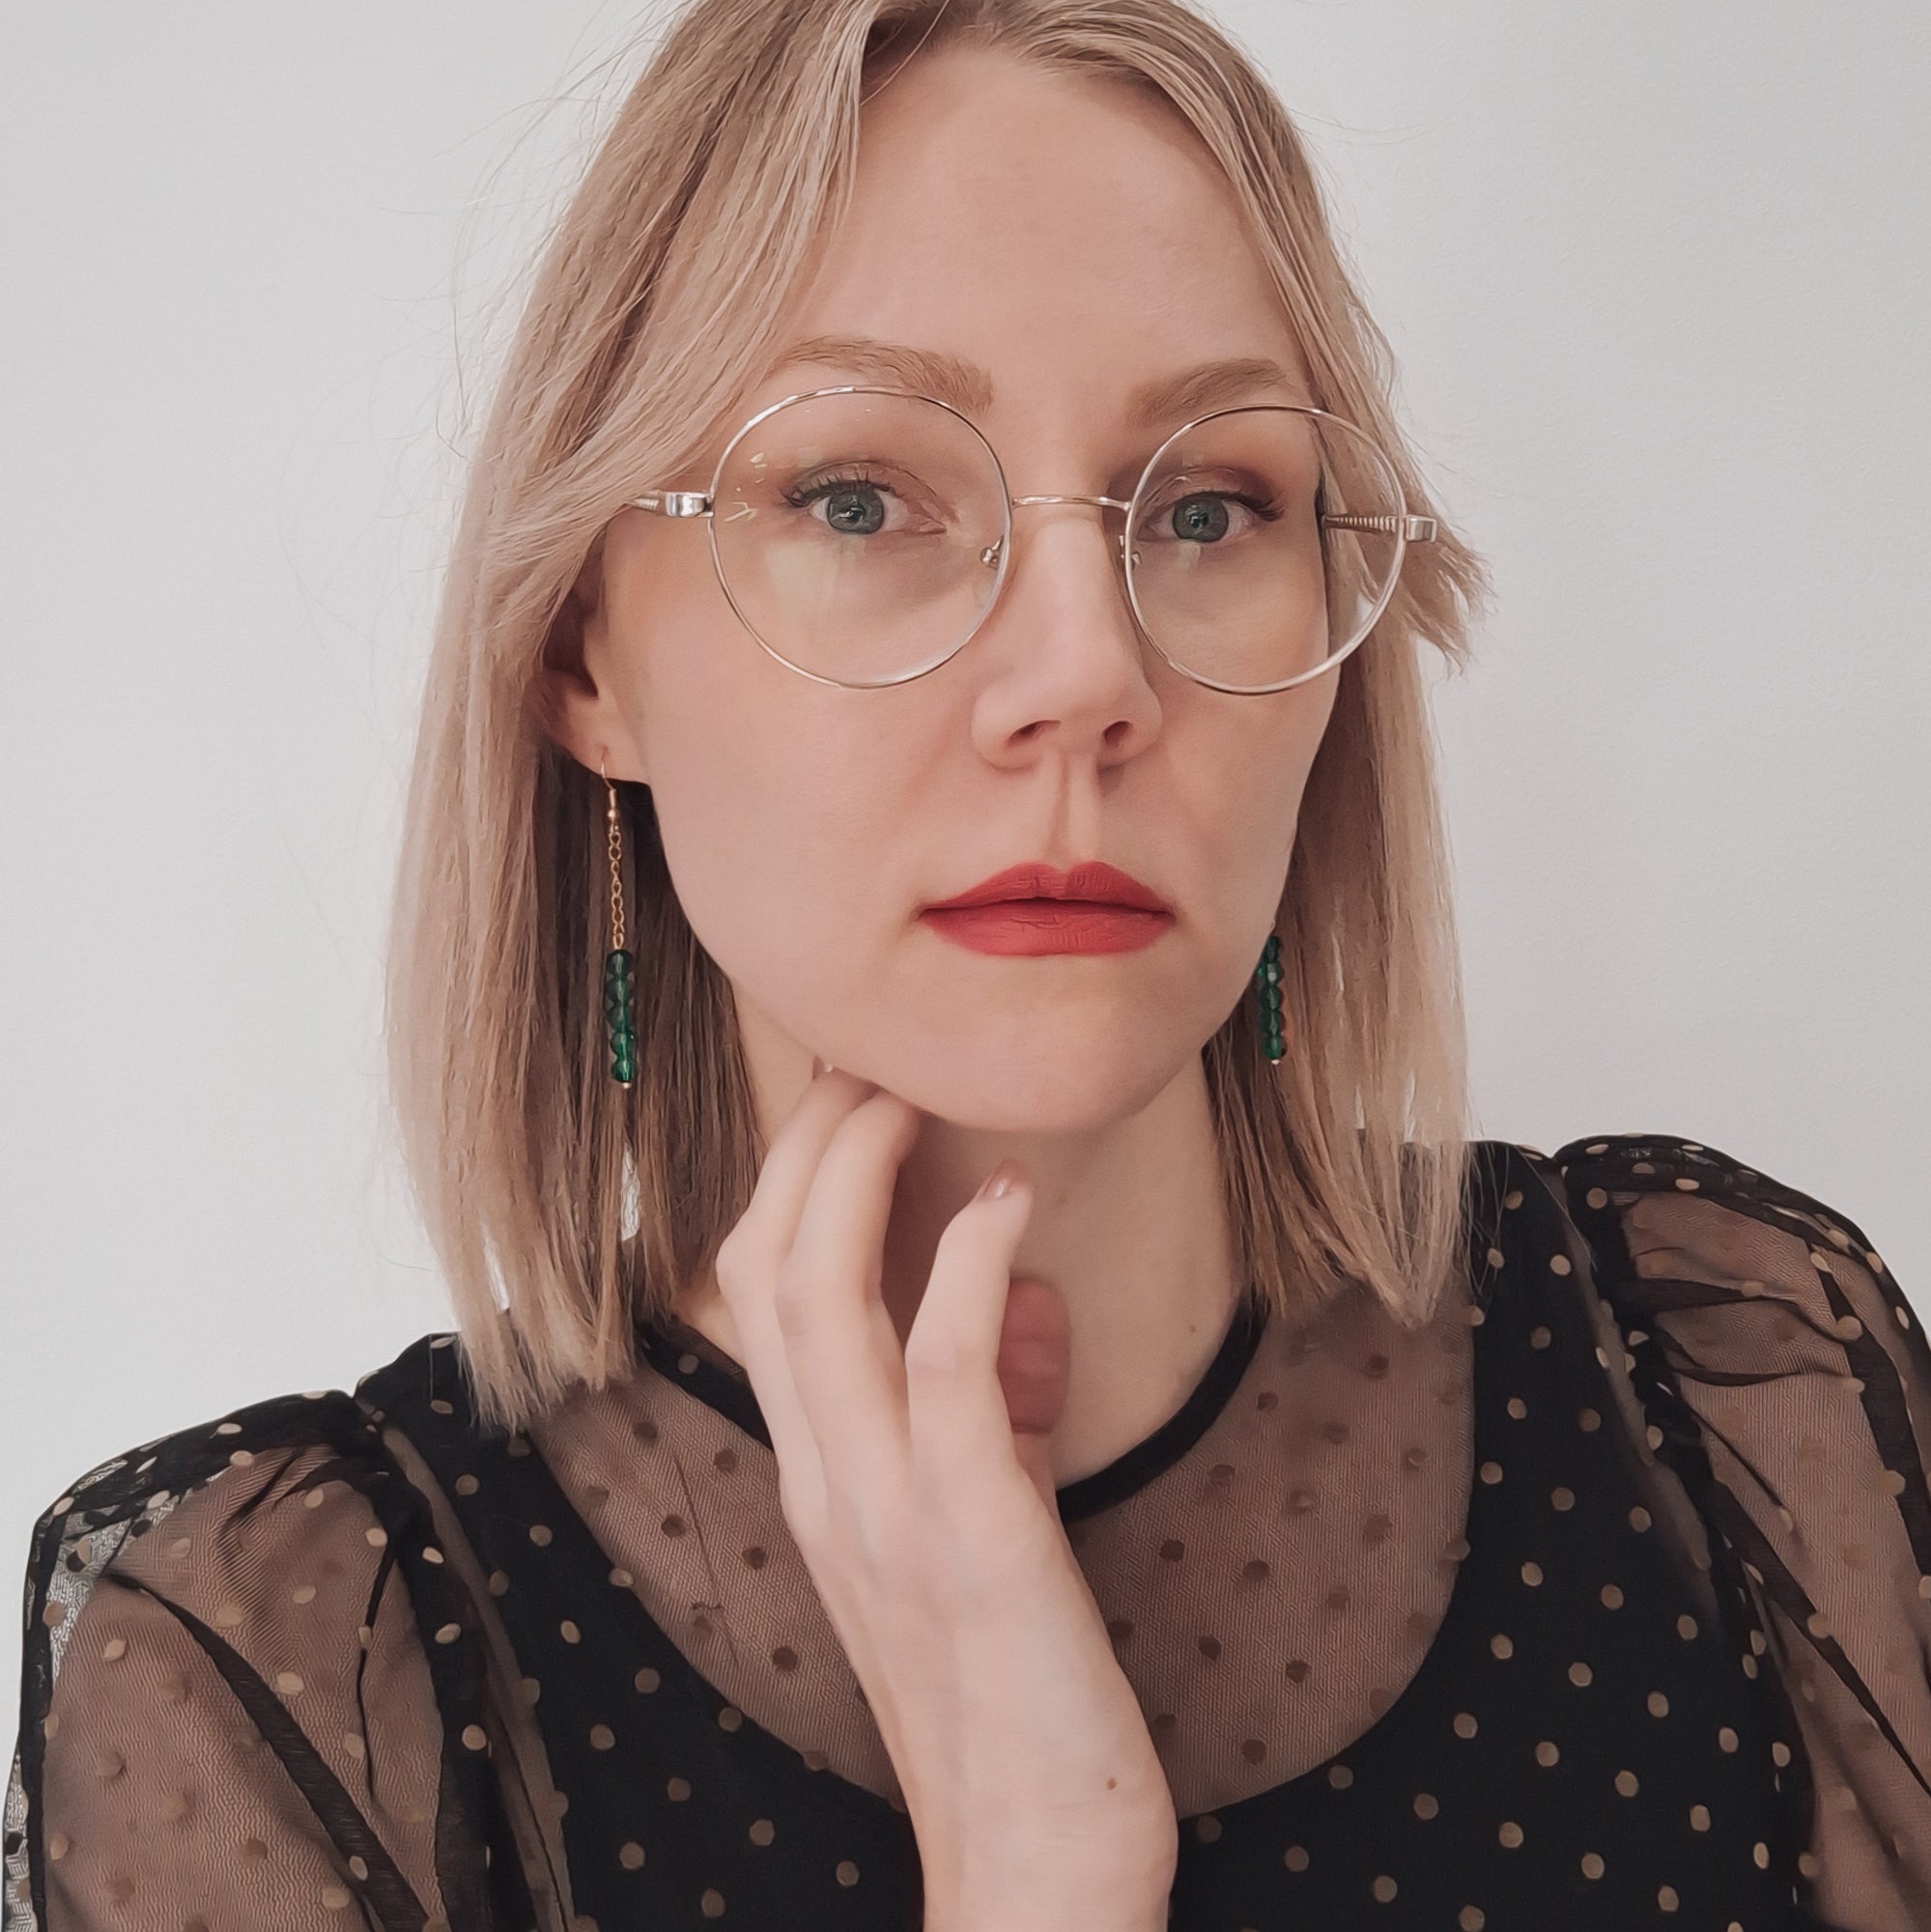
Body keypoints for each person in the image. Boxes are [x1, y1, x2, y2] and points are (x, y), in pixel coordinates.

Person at [6, 0, 1927, 1926]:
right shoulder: (280, 1669)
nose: (1087, 673)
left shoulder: (1731, 1392)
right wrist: (1035, 1869)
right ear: (586, 656)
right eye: (859, 499)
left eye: (1208, 508)